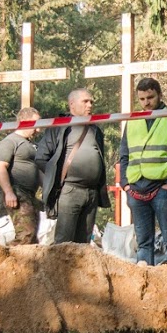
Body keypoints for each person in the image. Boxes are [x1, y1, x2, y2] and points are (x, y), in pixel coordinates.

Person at [119, 77, 167, 264]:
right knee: (143, 243)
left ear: (159, 95)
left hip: (163, 189)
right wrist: (125, 185)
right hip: (136, 189)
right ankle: (145, 287)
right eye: (142, 99)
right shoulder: (133, 121)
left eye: (150, 97)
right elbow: (124, 156)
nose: (146, 103)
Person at [37, 89, 107, 245]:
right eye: (85, 101)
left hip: (92, 193)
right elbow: (41, 157)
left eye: (91, 102)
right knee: (64, 243)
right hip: (69, 191)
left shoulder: (95, 129)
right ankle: (57, 270)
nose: (90, 105)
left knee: (84, 244)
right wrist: (56, 179)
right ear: (72, 104)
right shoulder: (59, 127)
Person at [0, 107, 43, 246]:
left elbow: (38, 170)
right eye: (35, 124)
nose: (38, 130)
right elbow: (0, 166)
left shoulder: (32, 145)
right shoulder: (11, 141)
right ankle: (4, 260)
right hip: (17, 192)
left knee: (32, 237)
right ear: (24, 121)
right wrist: (9, 192)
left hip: (30, 194)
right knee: (26, 235)